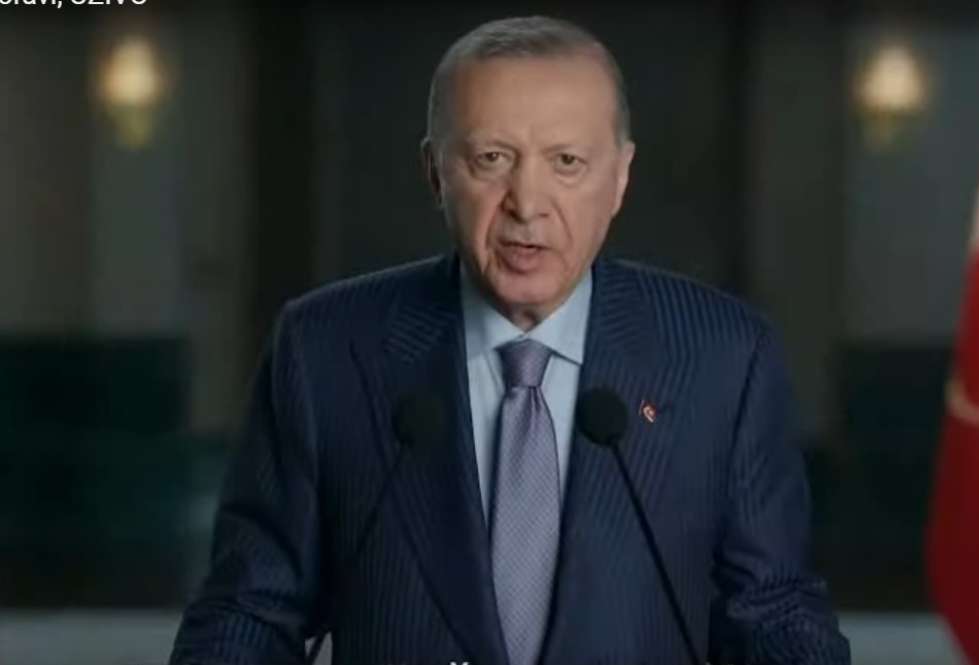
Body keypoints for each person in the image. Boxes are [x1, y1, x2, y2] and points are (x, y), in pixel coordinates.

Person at [170, 15, 850, 665]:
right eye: (491, 159)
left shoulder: (723, 356)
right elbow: (249, 613)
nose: (527, 202)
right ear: (436, 172)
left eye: (566, 161)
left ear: (620, 177)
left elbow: (772, 613)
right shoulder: (324, 350)